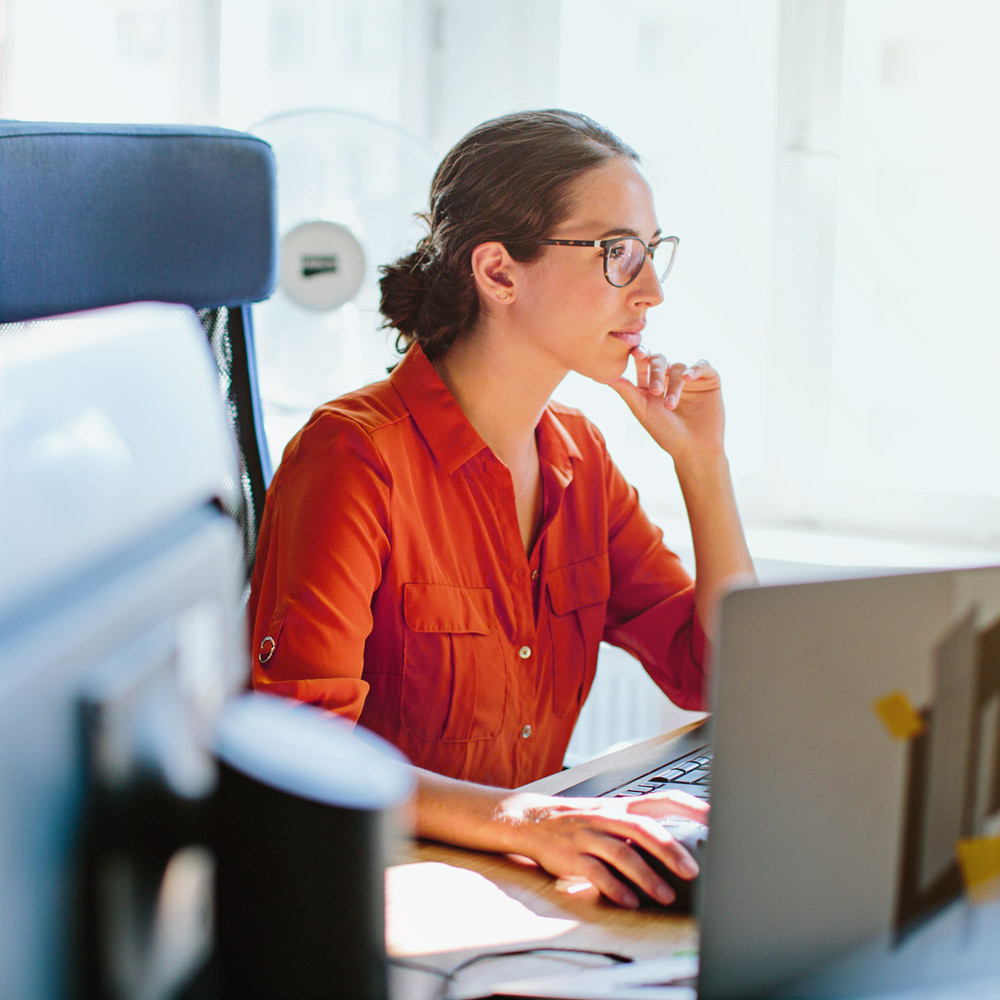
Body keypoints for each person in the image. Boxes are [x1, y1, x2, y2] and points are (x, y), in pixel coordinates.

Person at [248, 109, 755, 909]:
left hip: (514, 883)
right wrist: (522, 817)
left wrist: (703, 463)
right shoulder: (353, 459)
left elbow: (721, 674)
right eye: (618, 253)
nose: (652, 292)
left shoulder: (580, 460)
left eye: (653, 254)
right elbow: (301, 754)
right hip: (372, 897)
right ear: (499, 273)